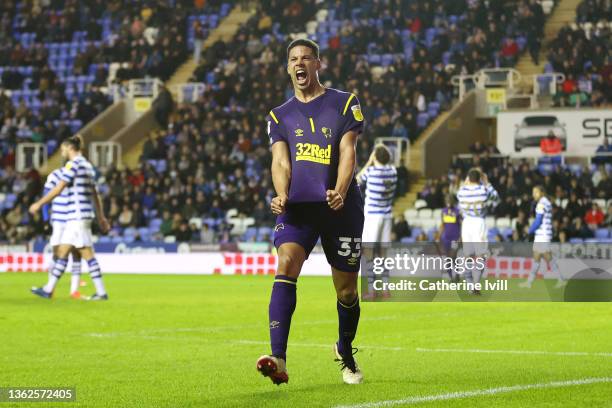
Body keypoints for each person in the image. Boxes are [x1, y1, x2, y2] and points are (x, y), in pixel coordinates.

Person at [256, 39, 365, 385]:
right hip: (298, 207)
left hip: (340, 206)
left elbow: (349, 153)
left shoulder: (345, 103)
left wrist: (342, 191)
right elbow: (280, 161)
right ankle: (279, 358)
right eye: (293, 59)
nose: (299, 63)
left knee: (346, 290)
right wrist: (281, 194)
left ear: (318, 63)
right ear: (288, 68)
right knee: (286, 263)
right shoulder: (279, 115)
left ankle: (345, 351)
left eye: (306, 58)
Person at [29, 135, 110, 300]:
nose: (62, 152)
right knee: (64, 252)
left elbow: (59, 188)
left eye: (63, 149)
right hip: (83, 215)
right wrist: (101, 217)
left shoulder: (74, 165)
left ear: (69, 148)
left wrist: (39, 203)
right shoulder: (87, 165)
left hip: (77, 216)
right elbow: (95, 194)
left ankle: (101, 292)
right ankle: (49, 289)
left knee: (82, 254)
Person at [356, 144, 397, 298]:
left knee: (369, 253)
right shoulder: (393, 172)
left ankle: (372, 290)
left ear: (375, 158)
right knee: (384, 253)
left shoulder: (371, 172)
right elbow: (389, 163)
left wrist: (369, 161)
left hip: (372, 216)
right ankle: (386, 289)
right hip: (387, 215)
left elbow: (356, 179)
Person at [42, 168, 85, 299]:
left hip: (75, 220)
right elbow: (46, 196)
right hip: (59, 221)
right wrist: (45, 218)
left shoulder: (80, 175)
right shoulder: (55, 175)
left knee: (77, 253)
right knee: (57, 254)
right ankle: (51, 288)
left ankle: (74, 291)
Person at [456, 168, 499, 294]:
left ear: (468, 179)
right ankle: (475, 284)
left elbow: (462, 188)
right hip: (479, 222)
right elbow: (496, 198)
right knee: (480, 256)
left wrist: (467, 181)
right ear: (479, 179)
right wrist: (487, 182)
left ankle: (470, 286)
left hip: (466, 223)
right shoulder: (483, 190)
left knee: (468, 256)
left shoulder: (461, 192)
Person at [520, 186, 565, 288]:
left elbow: (539, 220)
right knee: (537, 257)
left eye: (536, 192)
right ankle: (529, 282)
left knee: (546, 257)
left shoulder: (541, 203)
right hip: (543, 234)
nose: (533, 194)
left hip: (543, 235)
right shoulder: (546, 202)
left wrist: (529, 230)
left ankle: (561, 279)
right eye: (533, 192)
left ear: (542, 192)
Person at [438, 194, 461, 281]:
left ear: (453, 201)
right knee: (448, 258)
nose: (448, 201)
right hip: (446, 238)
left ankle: (457, 274)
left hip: (455, 237)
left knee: (453, 256)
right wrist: (438, 236)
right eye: (447, 199)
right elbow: (442, 225)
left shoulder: (458, 211)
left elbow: (461, 225)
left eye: (450, 199)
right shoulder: (443, 211)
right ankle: (451, 277)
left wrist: (461, 237)